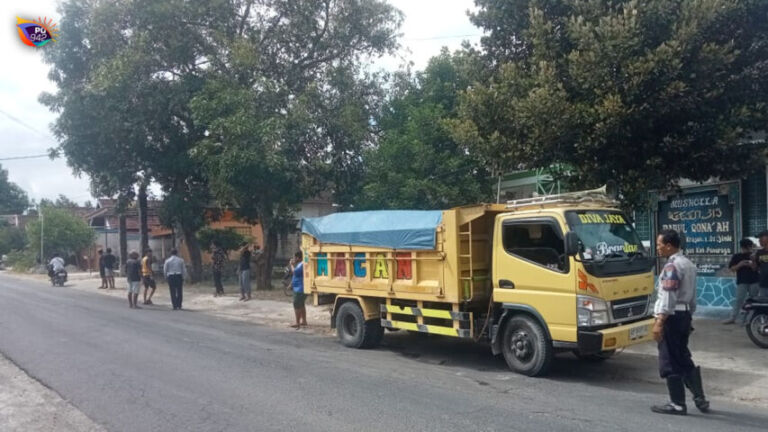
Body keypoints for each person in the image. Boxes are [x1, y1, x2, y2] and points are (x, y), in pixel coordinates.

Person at [651, 229, 709, 415]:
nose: (658, 248)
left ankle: (677, 403)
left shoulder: (672, 267)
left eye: (659, 244)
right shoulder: (689, 264)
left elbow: (668, 296)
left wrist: (660, 321)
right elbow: (692, 297)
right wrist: (689, 316)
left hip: (671, 317)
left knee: (669, 359)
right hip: (683, 316)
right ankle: (700, 397)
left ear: (669, 245)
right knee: (683, 356)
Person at [725, 238, 759, 324]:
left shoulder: (754, 256)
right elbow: (732, 269)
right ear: (744, 247)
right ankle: (732, 318)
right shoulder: (737, 256)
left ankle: (751, 319)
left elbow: (756, 268)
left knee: (754, 300)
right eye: (748, 247)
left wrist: (753, 261)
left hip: (754, 280)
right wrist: (740, 265)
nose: (749, 249)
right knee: (739, 300)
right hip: (742, 281)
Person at [290, 251, 307, 329]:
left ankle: (297, 322)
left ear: (298, 258)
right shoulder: (300, 264)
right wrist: (291, 284)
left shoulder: (301, 265)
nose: (294, 259)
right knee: (301, 304)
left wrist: (292, 265)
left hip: (300, 288)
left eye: (295, 257)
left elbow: (295, 272)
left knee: (296, 304)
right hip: (299, 287)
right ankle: (304, 320)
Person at [753, 231, 768, 298]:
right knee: (763, 306)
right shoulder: (759, 252)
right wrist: (753, 260)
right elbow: (755, 268)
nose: (759, 240)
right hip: (763, 284)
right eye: (759, 238)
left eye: (761, 237)